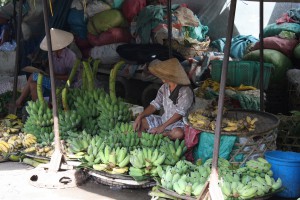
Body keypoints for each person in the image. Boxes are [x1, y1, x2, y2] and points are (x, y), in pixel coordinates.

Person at [133, 58, 194, 140]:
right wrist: (140, 116)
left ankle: (163, 134)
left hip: (178, 124)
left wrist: (162, 127)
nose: (161, 76)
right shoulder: (164, 87)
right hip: (164, 119)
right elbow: (155, 104)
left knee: (178, 134)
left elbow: (179, 114)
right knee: (142, 122)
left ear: (172, 76)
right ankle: (148, 139)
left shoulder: (185, 91)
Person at [15, 28, 77, 107]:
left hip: (64, 85)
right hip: (53, 81)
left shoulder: (70, 56)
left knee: (32, 76)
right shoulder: (51, 54)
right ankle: (39, 108)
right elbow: (50, 69)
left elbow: (71, 78)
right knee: (32, 84)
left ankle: (18, 102)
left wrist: (54, 75)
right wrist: (45, 66)